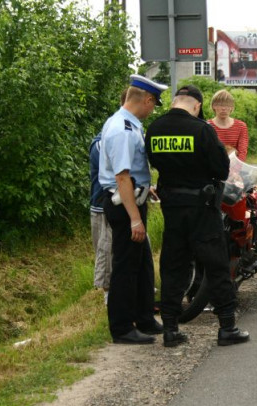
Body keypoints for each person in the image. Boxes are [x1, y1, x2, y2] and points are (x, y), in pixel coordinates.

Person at [145, 85, 250, 347]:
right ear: (197, 106)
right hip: (202, 208)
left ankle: (170, 329)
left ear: (174, 102)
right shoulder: (202, 129)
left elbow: (154, 162)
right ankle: (227, 327)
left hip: (171, 208)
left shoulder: (154, 129)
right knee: (216, 265)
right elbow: (221, 168)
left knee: (173, 266)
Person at [98, 74, 166, 344]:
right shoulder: (123, 129)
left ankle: (145, 317)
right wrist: (135, 219)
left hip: (133, 199)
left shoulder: (130, 124)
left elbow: (131, 173)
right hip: (124, 205)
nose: (153, 110)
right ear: (147, 100)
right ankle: (122, 327)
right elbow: (122, 177)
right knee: (126, 267)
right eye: (154, 104)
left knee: (142, 265)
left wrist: (145, 187)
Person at [90, 89, 128, 306]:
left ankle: (131, 286)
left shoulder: (132, 130)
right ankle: (108, 295)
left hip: (128, 199)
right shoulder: (105, 139)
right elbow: (118, 170)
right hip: (104, 204)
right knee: (106, 249)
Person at [208, 89, 249, 161]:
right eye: (220, 105)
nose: (223, 108)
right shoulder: (207, 126)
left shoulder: (241, 126)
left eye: (227, 105)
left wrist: (236, 169)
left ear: (232, 107)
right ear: (213, 106)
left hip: (235, 166)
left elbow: (242, 152)